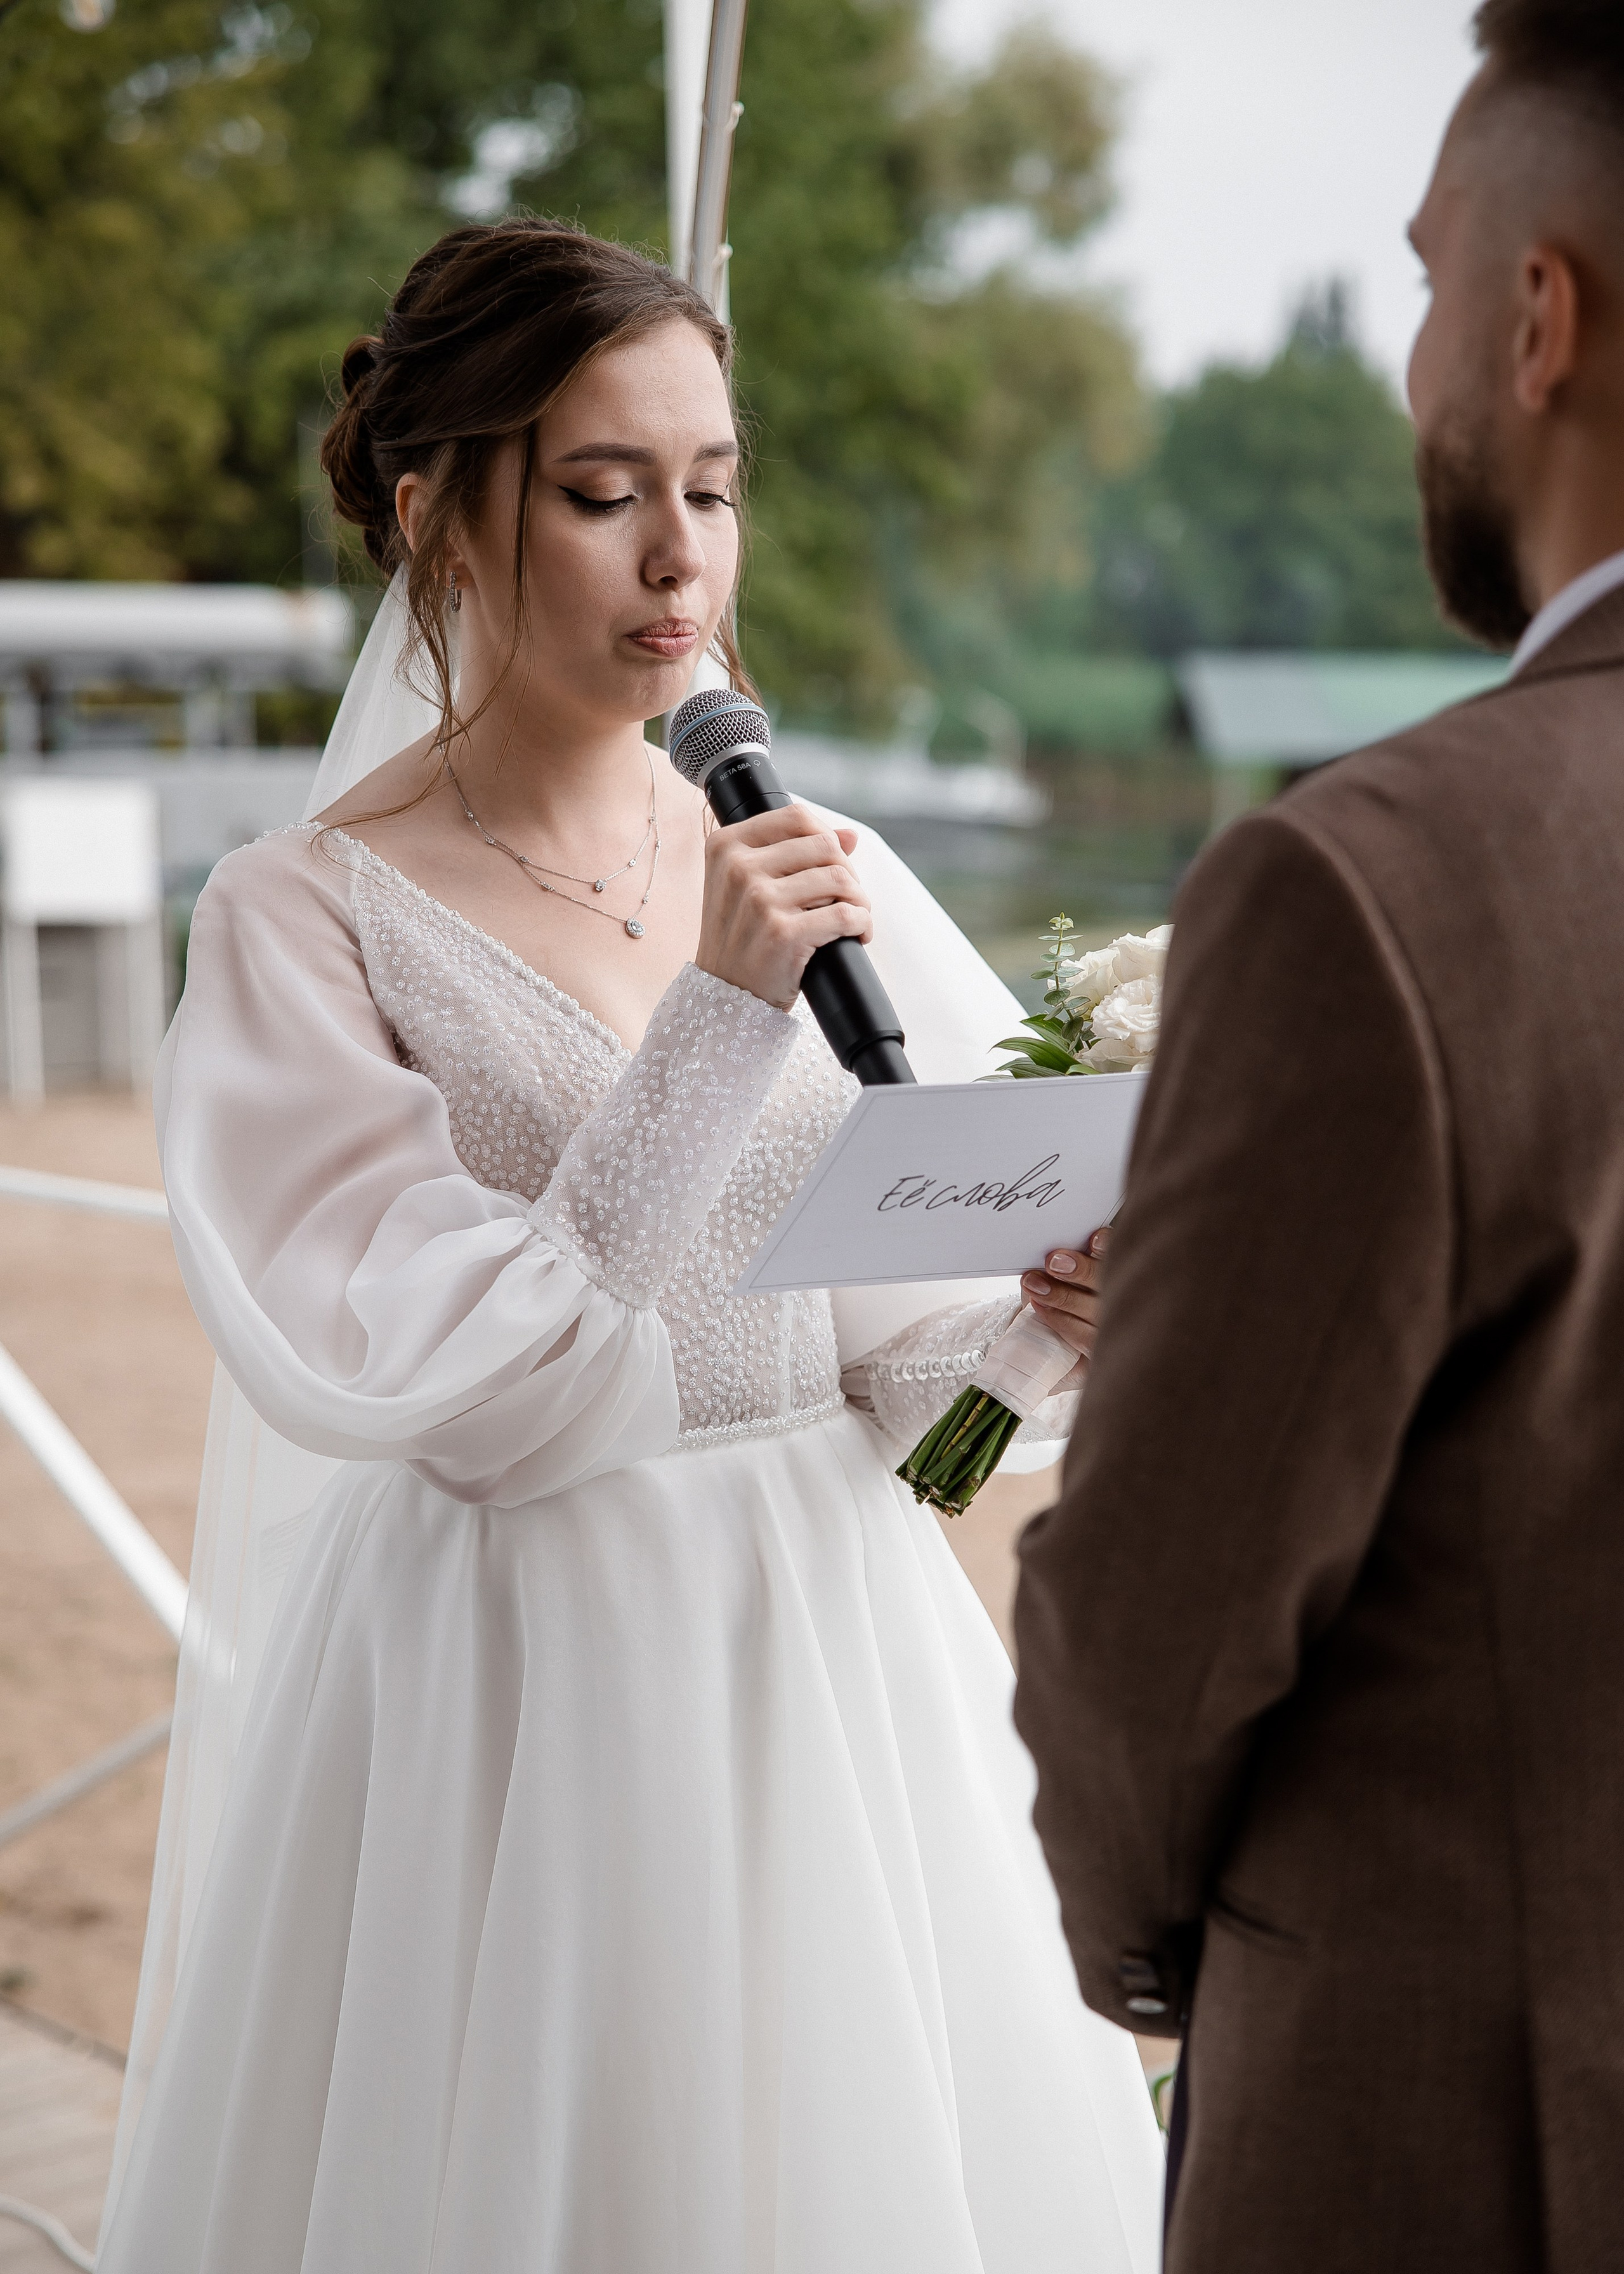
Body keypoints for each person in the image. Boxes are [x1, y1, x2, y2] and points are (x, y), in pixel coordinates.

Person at [95, 219, 1163, 2274]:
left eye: (715, 488)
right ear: (441, 515)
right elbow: (457, 1391)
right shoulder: (302, 915)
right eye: (604, 493)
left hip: (838, 1683)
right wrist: (716, 1020)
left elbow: (910, 1430)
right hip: (519, 1698)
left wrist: (1048, 1323)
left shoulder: (818, 865)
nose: (683, 558)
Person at [1012, 4, 1624, 2269]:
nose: (1415, 364)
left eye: (1430, 280)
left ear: (1540, 323)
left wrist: (1148, 1942)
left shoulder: (1378, 887)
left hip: (1465, 2124)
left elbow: (1156, 1621)